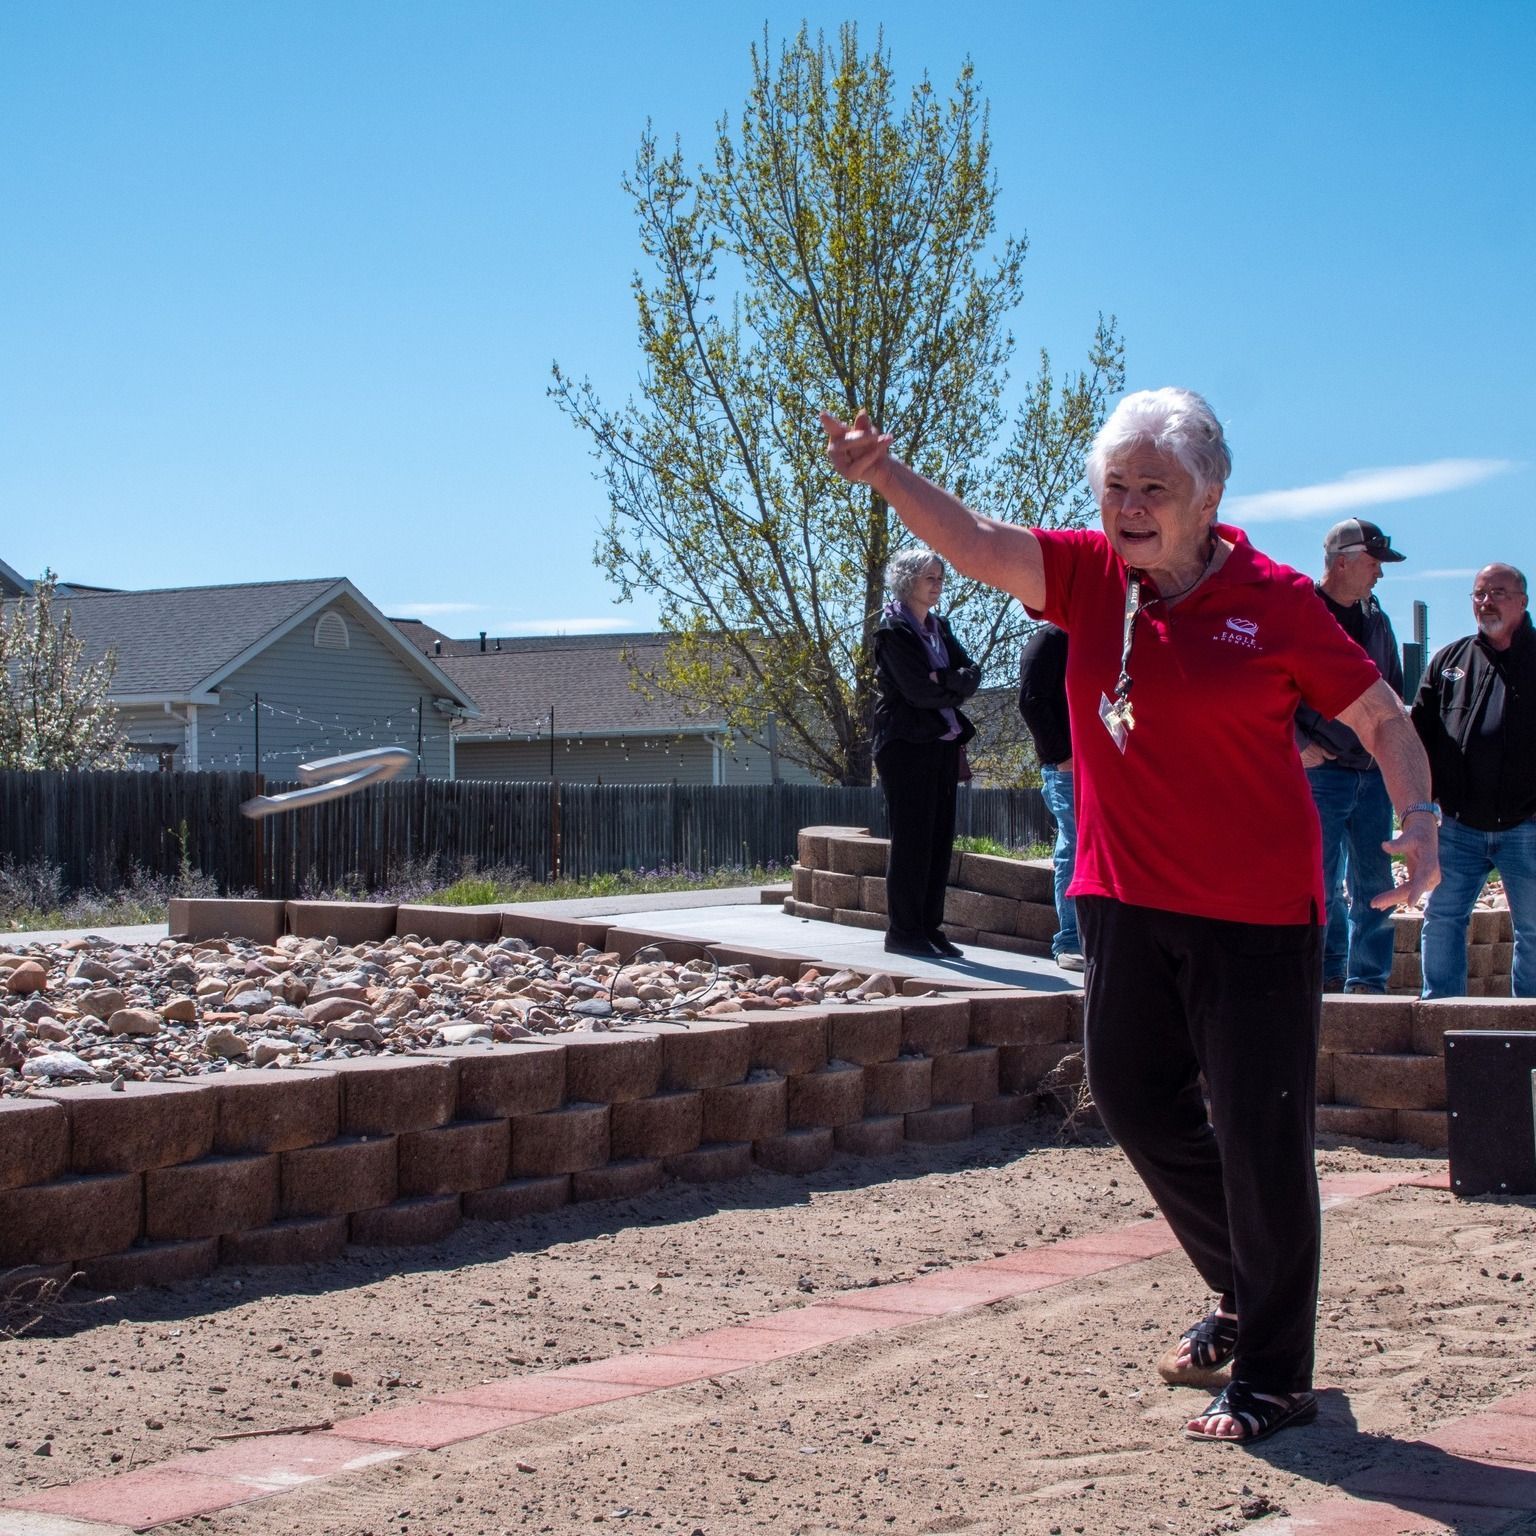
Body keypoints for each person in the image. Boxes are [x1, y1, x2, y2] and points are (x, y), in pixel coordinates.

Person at [822, 388, 1439, 1445]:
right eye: (1115, 487)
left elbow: (1381, 718)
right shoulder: (1085, 575)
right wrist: (884, 474)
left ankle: (1277, 1374)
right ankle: (1247, 1292)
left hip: (1254, 916)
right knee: (1131, 1098)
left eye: (1155, 488)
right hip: (1123, 897)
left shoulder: (1279, 601)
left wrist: (1419, 820)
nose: (1132, 506)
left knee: (1260, 1135)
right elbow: (971, 542)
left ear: (1209, 496)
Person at [1411, 564, 1536, 997]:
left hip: (1527, 826)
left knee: (1534, 931)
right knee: (1442, 919)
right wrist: (1423, 809)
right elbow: (1417, 737)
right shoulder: (1449, 660)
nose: (1486, 602)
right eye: (1479, 594)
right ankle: (1441, 1015)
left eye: (1498, 593)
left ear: (1522, 600)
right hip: (1459, 826)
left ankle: (1530, 1029)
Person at [1295, 519, 1407, 993]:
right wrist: (1296, 745)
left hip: (1371, 776)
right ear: (1342, 562)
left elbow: (1394, 697)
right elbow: (1264, 689)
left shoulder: (1377, 620)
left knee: (1374, 885)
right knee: (1316, 883)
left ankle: (1368, 982)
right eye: (1374, 562)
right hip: (1320, 774)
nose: (1380, 573)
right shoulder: (1299, 613)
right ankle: (1322, 973)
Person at [871, 548, 980, 959]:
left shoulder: (941, 627)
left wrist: (947, 679)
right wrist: (950, 683)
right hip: (905, 746)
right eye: (929, 578)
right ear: (907, 581)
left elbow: (973, 674)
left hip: (942, 744)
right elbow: (917, 691)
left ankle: (930, 927)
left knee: (938, 841)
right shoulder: (893, 631)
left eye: (940, 577)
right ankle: (903, 931)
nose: (937, 585)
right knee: (913, 840)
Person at [1018, 623, 1083, 971]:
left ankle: (1096, 939)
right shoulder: (1050, 639)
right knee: (1072, 846)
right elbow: (1030, 700)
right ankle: (1070, 940)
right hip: (1066, 768)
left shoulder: (1098, 638)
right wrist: (1062, 756)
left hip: (1101, 765)